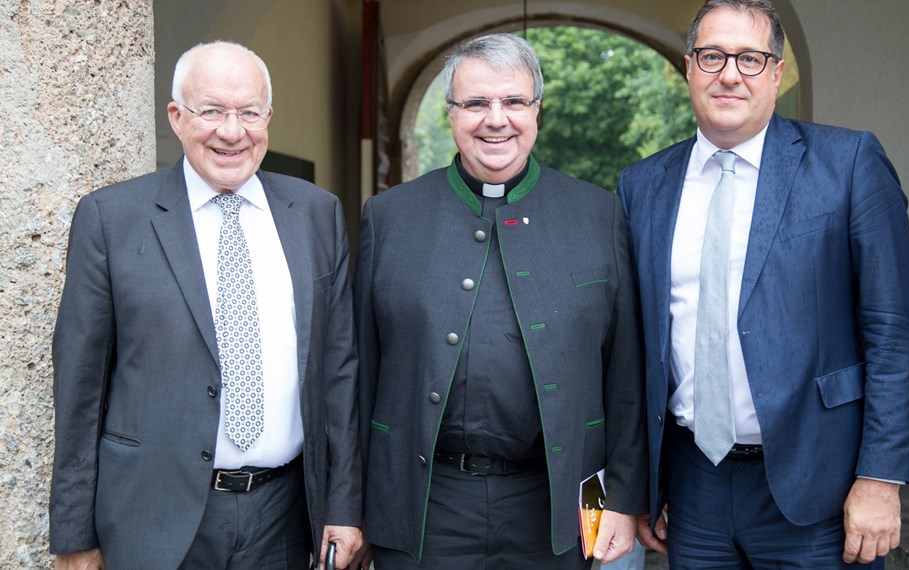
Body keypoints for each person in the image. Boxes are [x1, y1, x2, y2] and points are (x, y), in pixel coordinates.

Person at [617, 1, 909, 568]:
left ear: (777, 73)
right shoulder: (641, 186)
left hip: (818, 484)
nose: (730, 74)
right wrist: (639, 484)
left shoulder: (849, 163)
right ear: (688, 68)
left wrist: (881, 477)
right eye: (712, 56)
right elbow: (636, 348)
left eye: (751, 59)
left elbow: (894, 332)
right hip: (693, 486)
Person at [49, 41, 363, 570]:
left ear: (268, 117)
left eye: (249, 112)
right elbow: (80, 387)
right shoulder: (111, 218)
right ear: (177, 117)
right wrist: (75, 534)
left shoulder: (315, 213)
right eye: (212, 110)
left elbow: (340, 373)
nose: (232, 131)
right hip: (151, 517)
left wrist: (345, 506)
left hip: (282, 518)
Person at [354, 33, 646, 569]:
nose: (496, 119)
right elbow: (359, 376)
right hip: (424, 503)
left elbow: (624, 375)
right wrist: (351, 509)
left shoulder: (597, 215)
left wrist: (621, 502)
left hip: (559, 502)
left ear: (537, 111)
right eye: (476, 103)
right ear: (450, 113)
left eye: (513, 101)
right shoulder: (389, 218)